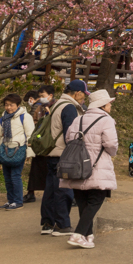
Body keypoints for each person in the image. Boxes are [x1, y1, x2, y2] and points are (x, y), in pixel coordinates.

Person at [60, 89, 118, 249]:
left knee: (83, 201)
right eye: (109, 103)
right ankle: (78, 234)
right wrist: (111, 153)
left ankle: (88, 234)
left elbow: (68, 139)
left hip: (77, 166)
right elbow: (111, 145)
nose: (110, 106)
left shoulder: (78, 119)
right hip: (96, 166)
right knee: (96, 199)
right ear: (103, 105)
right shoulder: (106, 121)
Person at [42, 80, 86, 237]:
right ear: (77, 93)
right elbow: (70, 133)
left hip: (52, 152)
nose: (83, 99)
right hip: (63, 155)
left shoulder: (57, 104)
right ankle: (62, 225)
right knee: (64, 190)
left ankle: (47, 223)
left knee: (50, 190)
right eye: (83, 96)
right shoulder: (69, 107)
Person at [0, 93, 35, 210]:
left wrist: (30, 153)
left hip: (18, 149)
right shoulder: (3, 118)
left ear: (18, 105)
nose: (9, 107)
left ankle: (18, 201)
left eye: (11, 105)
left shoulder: (25, 117)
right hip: (5, 150)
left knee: (15, 176)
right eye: (6, 105)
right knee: (7, 177)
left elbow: (31, 136)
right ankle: (10, 201)